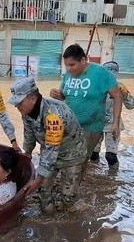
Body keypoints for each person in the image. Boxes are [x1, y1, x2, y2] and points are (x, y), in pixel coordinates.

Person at [10, 77, 87, 214]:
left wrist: (38, 179)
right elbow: (29, 134)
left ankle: (65, 220)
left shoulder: (53, 116)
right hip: (50, 152)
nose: (17, 106)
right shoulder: (26, 112)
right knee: (43, 191)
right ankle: (48, 220)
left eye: (19, 102)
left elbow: (52, 149)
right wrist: (27, 153)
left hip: (72, 155)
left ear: (32, 98)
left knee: (67, 197)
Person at [50, 44, 122, 174]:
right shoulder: (67, 75)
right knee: (61, 159)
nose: (68, 68)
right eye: (66, 65)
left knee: (79, 163)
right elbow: (63, 95)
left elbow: (117, 96)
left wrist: (115, 123)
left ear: (83, 60)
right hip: (68, 126)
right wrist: (57, 95)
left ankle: (75, 189)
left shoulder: (101, 73)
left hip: (90, 128)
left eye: (72, 65)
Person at [92, 61, 134, 165]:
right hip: (96, 125)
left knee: (111, 156)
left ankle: (113, 175)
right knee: (92, 154)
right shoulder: (95, 85)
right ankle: (94, 173)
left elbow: (131, 105)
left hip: (113, 125)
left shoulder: (119, 86)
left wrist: (125, 94)